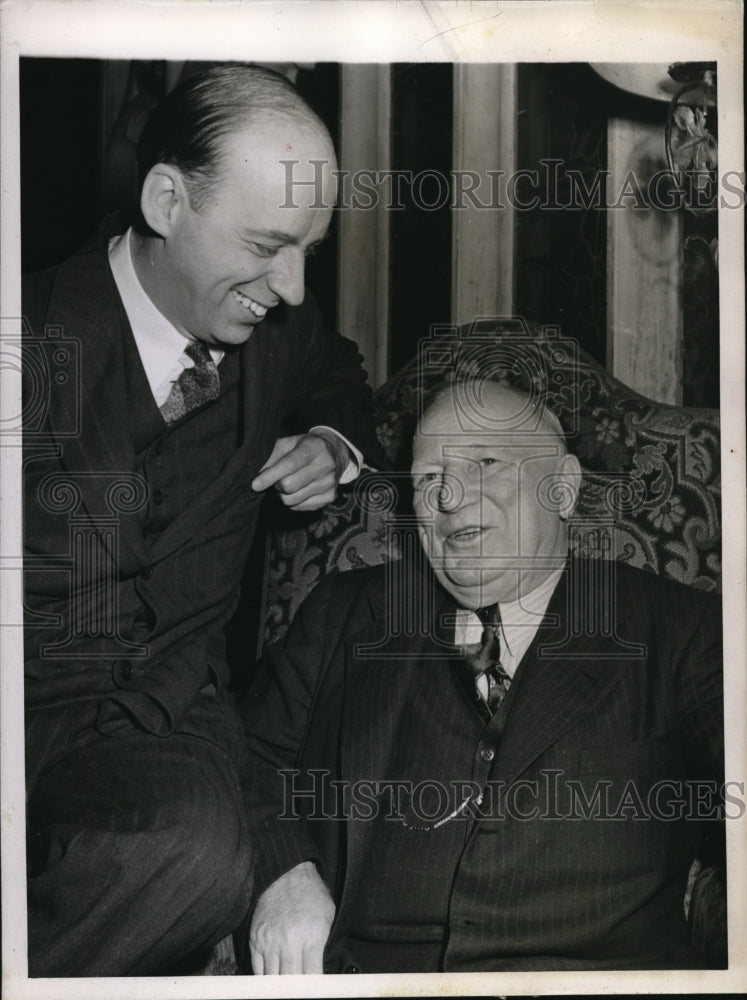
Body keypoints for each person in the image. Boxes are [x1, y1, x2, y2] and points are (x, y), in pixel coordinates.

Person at [22, 64, 380, 976]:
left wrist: (336, 441)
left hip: (158, 726)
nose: (293, 288)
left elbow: (337, 368)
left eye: (310, 250)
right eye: (267, 245)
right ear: (167, 199)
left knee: (197, 861)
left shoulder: (277, 336)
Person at [241, 379, 725, 974]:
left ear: (563, 488)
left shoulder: (682, 627)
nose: (447, 497)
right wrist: (283, 874)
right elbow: (243, 757)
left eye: (487, 462)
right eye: (426, 480)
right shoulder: (344, 614)